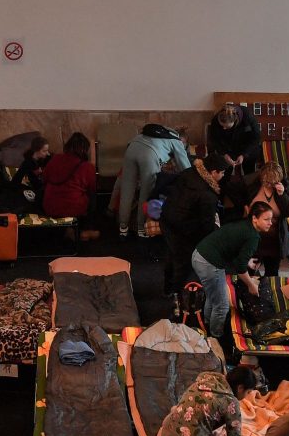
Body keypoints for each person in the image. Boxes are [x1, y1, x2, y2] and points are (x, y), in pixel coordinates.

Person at [191, 203, 274, 339]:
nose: (270, 223)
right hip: (209, 263)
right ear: (254, 218)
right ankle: (216, 338)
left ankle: (206, 325)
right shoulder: (253, 237)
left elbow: (233, 248)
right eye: (266, 219)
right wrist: (251, 285)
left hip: (199, 254)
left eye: (271, 219)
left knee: (213, 296)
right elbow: (240, 268)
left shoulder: (244, 226)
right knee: (222, 306)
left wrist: (246, 261)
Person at [159, 156, 226, 299]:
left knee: (172, 255)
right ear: (214, 172)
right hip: (185, 229)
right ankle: (177, 295)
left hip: (167, 218)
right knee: (183, 262)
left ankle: (168, 288)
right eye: (222, 173)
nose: (223, 176)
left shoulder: (189, 172)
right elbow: (206, 225)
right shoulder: (207, 195)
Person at [117, 126, 193, 238]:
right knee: (146, 193)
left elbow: (130, 142)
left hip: (131, 150)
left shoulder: (157, 133)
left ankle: (123, 229)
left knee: (126, 191)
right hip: (149, 156)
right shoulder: (176, 141)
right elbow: (186, 169)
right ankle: (141, 229)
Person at [245, 163, 289, 276]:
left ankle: (269, 292)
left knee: (272, 273)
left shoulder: (286, 185)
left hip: (274, 240)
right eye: (266, 182)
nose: (269, 185)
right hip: (254, 237)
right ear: (261, 177)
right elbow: (239, 196)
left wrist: (282, 195)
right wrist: (245, 208)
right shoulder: (252, 183)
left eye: (272, 182)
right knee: (249, 270)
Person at [41, 132, 97, 220]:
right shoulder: (87, 167)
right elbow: (92, 189)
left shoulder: (55, 158)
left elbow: (44, 179)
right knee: (92, 197)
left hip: (49, 207)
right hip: (73, 209)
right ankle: (88, 226)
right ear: (84, 150)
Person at [206, 103, 262, 176]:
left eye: (227, 127)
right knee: (224, 172)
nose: (224, 128)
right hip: (227, 148)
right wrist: (224, 154)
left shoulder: (247, 116)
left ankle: (248, 185)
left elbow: (256, 138)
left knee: (249, 174)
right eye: (222, 126)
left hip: (247, 148)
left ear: (235, 121)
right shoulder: (216, 119)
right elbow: (214, 139)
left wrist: (243, 154)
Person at [13, 136, 50, 208]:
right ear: (36, 150)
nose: (47, 153)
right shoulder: (28, 163)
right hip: (34, 190)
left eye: (47, 151)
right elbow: (16, 180)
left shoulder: (43, 159)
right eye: (44, 151)